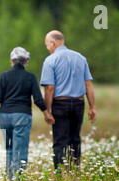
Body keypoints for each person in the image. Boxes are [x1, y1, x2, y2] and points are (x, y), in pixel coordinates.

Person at [0, 47, 54, 181]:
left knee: (9, 148)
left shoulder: (4, 76)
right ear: (26, 61)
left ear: (12, 61)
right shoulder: (30, 77)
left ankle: (9, 179)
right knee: (19, 150)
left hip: (4, 117)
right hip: (22, 116)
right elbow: (37, 99)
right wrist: (46, 113)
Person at [40, 30, 97, 171]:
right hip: (79, 103)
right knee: (75, 139)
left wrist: (47, 110)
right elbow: (88, 84)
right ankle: (74, 171)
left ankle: (60, 174)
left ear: (53, 43)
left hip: (60, 104)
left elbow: (49, 88)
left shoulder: (50, 60)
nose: (47, 48)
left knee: (60, 141)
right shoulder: (80, 58)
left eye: (47, 45)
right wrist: (92, 107)